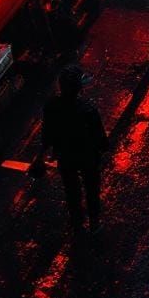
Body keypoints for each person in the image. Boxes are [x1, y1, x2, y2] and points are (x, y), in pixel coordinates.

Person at [35, 65, 109, 233]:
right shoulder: (88, 110)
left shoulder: (52, 107)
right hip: (88, 156)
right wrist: (102, 150)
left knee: (71, 190)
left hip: (66, 155)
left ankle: (77, 220)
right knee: (91, 189)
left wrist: (41, 155)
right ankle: (94, 222)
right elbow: (100, 137)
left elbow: (47, 133)